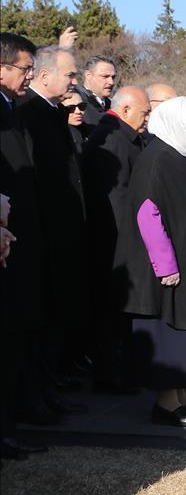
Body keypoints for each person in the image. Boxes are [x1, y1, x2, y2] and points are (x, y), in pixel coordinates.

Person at [117, 97, 186, 428]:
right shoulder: (157, 159)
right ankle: (167, 402)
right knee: (170, 336)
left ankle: (181, 396)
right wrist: (166, 266)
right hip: (167, 274)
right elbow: (148, 215)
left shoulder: (180, 157)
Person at [17, 46, 90, 412]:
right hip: (44, 234)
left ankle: (49, 389)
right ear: (45, 76)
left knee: (57, 315)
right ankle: (37, 397)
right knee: (42, 319)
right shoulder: (28, 112)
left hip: (62, 233)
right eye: (70, 75)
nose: (74, 81)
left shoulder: (51, 113)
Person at [82, 86, 151, 394]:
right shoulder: (111, 138)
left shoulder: (125, 136)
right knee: (112, 312)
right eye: (144, 112)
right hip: (114, 242)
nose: (147, 119)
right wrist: (131, 241)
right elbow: (117, 198)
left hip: (120, 240)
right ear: (125, 111)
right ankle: (111, 376)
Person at [0, 33, 49, 459]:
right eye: (23, 68)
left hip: (19, 236)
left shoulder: (11, 109)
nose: (28, 76)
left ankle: (12, 422)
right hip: (4, 238)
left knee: (18, 335)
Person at [76, 55, 118, 135]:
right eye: (105, 76)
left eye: (113, 77)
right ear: (88, 75)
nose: (111, 82)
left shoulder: (113, 105)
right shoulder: (76, 103)